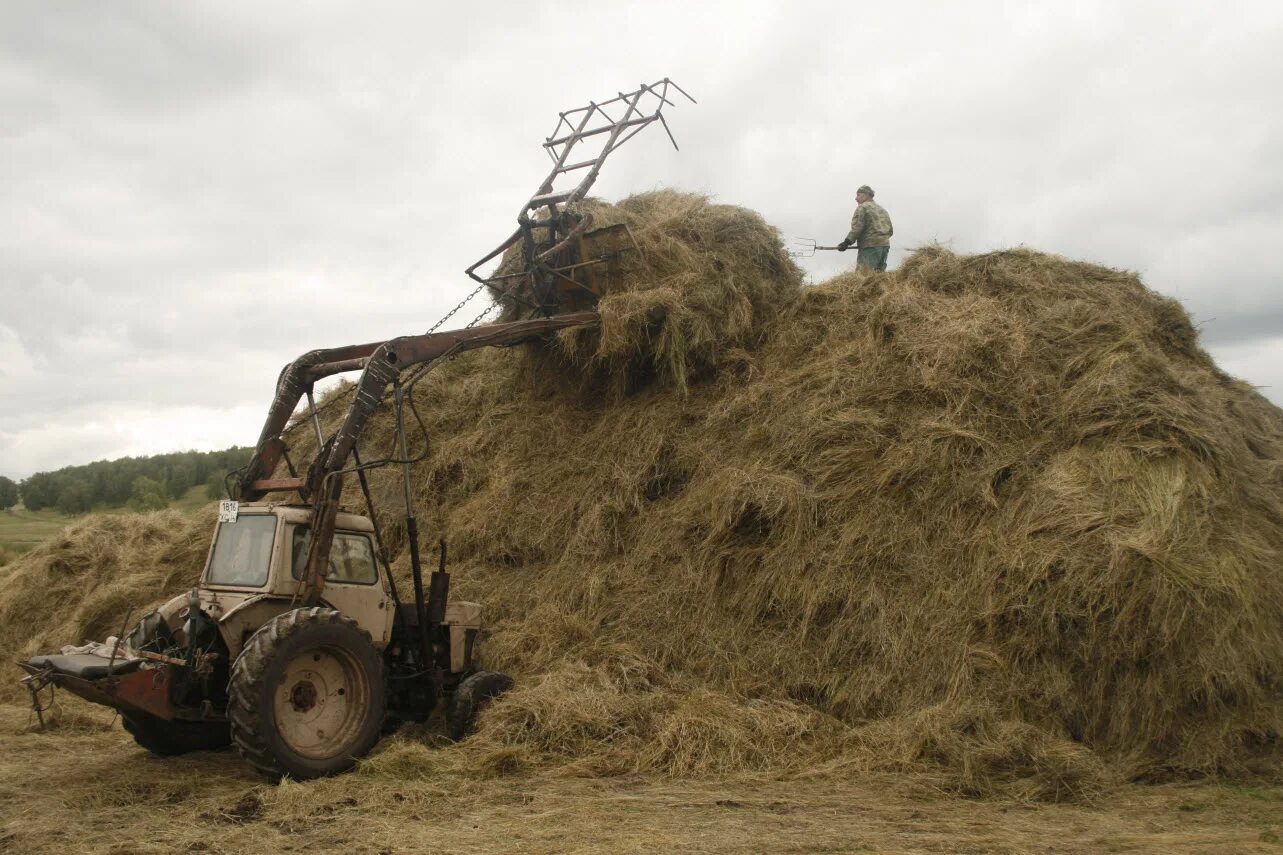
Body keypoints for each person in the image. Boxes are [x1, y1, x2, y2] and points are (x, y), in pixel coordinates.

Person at [837, 185, 893, 271]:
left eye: (858, 195)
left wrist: (846, 242)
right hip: (884, 246)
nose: (856, 198)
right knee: (879, 278)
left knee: (864, 277)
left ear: (866, 195)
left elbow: (858, 227)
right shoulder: (882, 209)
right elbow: (890, 230)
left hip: (869, 247)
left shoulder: (863, 208)